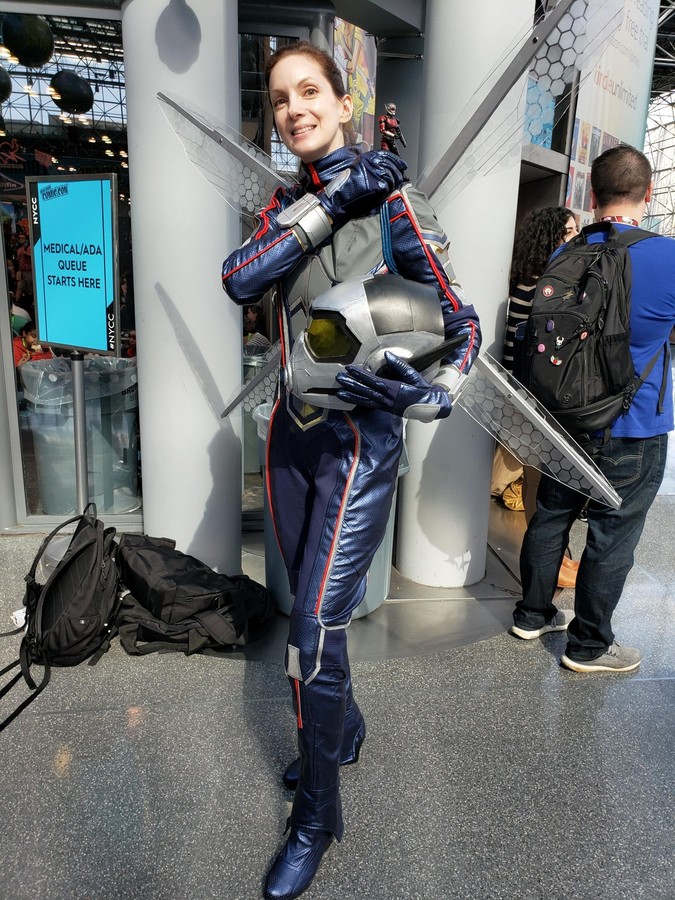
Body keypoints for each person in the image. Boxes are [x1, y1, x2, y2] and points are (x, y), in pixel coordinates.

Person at [222, 42, 480, 900]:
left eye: (309, 92)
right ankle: (344, 728)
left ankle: (317, 818)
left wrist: (430, 393)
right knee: (311, 614)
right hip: (288, 438)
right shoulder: (285, 205)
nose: (294, 109)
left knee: (311, 629)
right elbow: (239, 279)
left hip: (358, 443)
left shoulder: (396, 201)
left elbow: (463, 326)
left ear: (343, 103)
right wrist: (331, 200)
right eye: (279, 99)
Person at [511, 145, 675, 673]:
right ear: (648, 193)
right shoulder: (668, 256)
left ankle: (532, 614)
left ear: (591, 192)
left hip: (566, 416)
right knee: (613, 532)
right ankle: (588, 646)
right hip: (634, 423)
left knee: (551, 515)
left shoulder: (566, 253)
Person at [494, 206, 580, 587]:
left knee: (538, 481)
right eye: (569, 231)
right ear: (551, 237)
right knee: (539, 483)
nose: (575, 237)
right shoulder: (544, 286)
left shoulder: (526, 281)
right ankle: (550, 563)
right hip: (535, 398)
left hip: (524, 395)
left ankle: (556, 557)